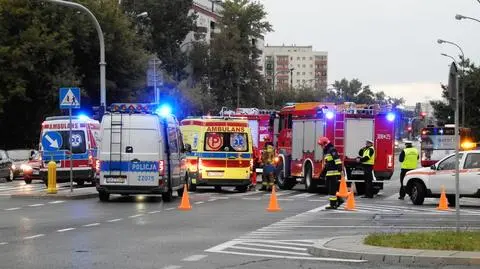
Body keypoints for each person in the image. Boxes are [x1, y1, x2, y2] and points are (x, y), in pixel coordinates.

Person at [318, 136, 343, 209]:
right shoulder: (328, 151)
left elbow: (337, 160)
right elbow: (327, 164)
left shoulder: (332, 150)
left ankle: (333, 204)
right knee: (331, 189)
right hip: (330, 173)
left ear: (325, 144)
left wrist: (340, 169)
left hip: (334, 173)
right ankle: (339, 200)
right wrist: (323, 173)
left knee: (332, 190)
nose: (321, 147)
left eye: (321, 145)